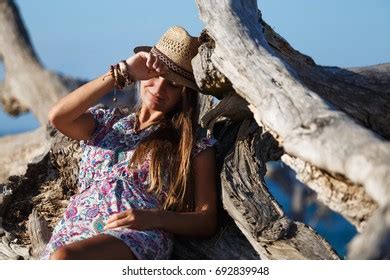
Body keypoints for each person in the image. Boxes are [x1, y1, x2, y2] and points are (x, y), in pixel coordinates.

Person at [41, 26, 218, 260]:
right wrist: (122, 72)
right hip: (76, 229)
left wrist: (156, 217)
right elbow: (58, 117)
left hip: (136, 235)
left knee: (64, 259)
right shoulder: (106, 123)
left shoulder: (193, 143)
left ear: (185, 94)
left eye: (173, 84)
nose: (159, 88)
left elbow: (206, 220)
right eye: (154, 76)